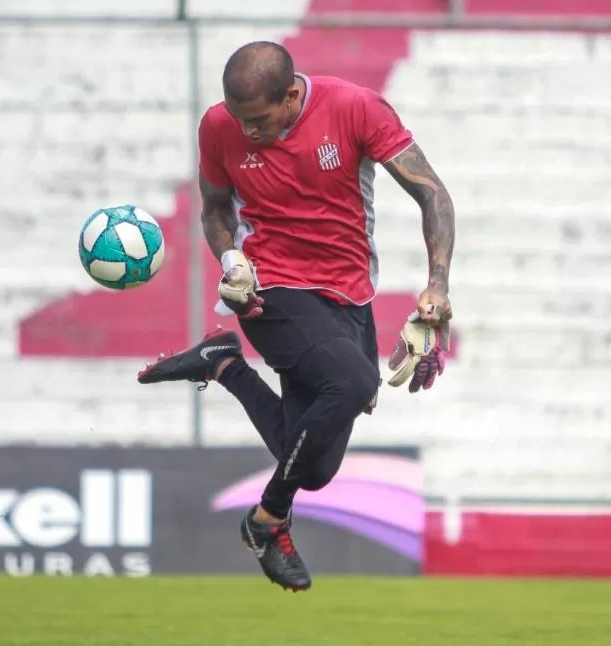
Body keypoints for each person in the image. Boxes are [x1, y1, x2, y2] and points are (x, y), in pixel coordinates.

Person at [136, 41, 455, 592]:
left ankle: (224, 365)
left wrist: (437, 286)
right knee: (354, 382)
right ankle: (267, 521)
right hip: (269, 289)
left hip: (349, 295)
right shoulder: (219, 126)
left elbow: (434, 195)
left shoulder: (355, 109)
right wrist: (232, 258)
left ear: (290, 94)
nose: (246, 130)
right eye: (238, 119)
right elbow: (215, 209)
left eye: (257, 120)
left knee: (315, 469)